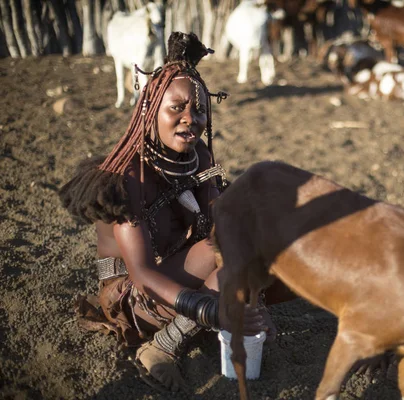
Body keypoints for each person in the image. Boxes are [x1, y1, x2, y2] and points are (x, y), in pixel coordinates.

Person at [59, 32, 277, 392]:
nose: (191, 119)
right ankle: (161, 346)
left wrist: (255, 302)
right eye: (176, 107)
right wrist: (213, 310)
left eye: (200, 109)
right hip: (135, 296)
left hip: (180, 271)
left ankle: (211, 312)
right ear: (149, 109)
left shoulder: (200, 158)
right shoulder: (127, 177)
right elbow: (142, 274)